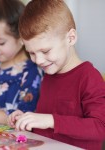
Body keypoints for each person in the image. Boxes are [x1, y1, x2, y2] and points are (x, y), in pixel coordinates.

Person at [7, 0, 105, 150]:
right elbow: (48, 127)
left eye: (45, 51)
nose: (38, 60)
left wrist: (50, 120)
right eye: (31, 53)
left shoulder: (89, 77)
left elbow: (100, 127)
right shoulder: (49, 74)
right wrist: (28, 120)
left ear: (70, 38)